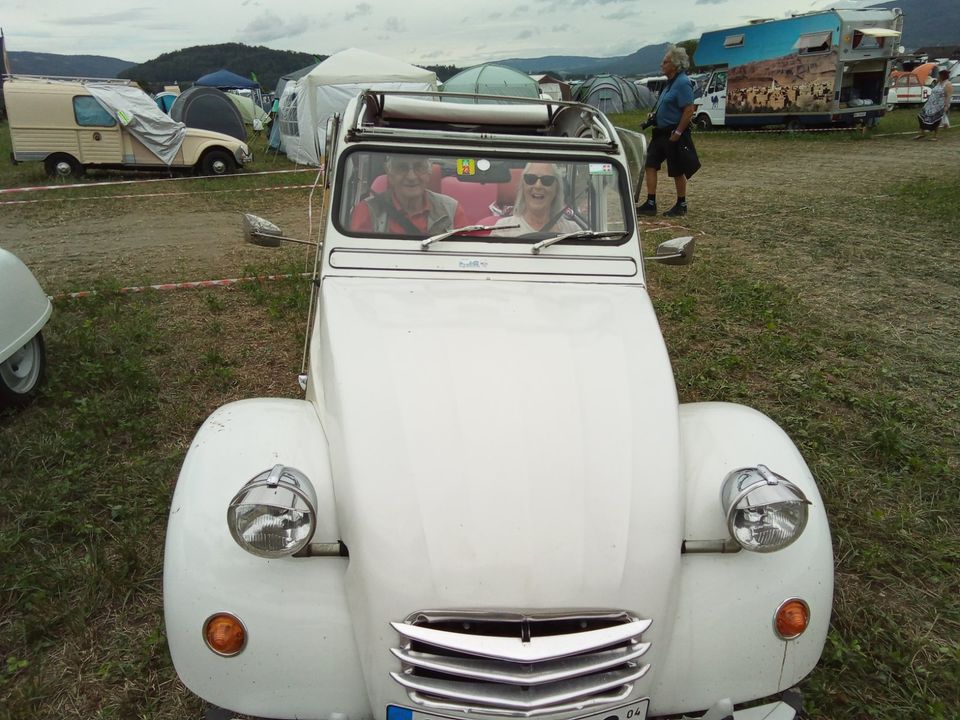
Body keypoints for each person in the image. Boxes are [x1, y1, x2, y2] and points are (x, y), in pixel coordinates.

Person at [637, 46, 697, 217]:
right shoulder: (669, 83)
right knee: (650, 164)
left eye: (665, 61)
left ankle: (681, 204)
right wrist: (654, 116)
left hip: (673, 133)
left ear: (675, 64)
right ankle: (650, 202)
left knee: (677, 169)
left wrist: (678, 133)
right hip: (660, 133)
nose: (661, 64)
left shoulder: (683, 82)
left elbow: (689, 110)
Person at [350, 156, 467, 234]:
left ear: (429, 172)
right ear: (390, 174)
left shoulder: (452, 209)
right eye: (402, 168)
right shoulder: (367, 210)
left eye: (419, 167)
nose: (411, 177)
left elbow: (465, 256)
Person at [491, 163, 581, 236]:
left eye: (547, 180)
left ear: (556, 189)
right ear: (523, 187)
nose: (538, 186)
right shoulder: (503, 230)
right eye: (530, 179)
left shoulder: (572, 231)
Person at [915, 69, 953, 140]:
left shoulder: (948, 84)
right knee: (921, 116)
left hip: (939, 105)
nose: (938, 76)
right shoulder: (939, 83)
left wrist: (946, 106)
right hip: (930, 104)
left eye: (939, 75)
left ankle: (935, 136)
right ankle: (922, 133)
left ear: (942, 76)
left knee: (937, 120)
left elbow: (948, 96)